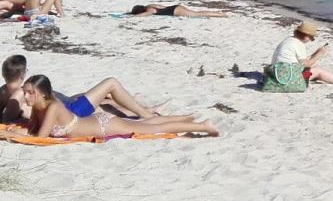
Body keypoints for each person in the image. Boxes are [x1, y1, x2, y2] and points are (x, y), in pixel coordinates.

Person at [3, 75, 218, 139]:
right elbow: (32, 129)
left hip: (104, 126)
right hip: (96, 122)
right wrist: (16, 130)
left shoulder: (52, 107)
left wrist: (11, 136)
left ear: (42, 94)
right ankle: (186, 119)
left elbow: (39, 138)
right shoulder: (40, 108)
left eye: (31, 92)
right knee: (145, 123)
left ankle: (203, 126)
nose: (27, 96)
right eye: (26, 91)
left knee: (150, 128)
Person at [0, 54, 175, 124]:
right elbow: (7, 118)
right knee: (111, 83)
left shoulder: (4, 91)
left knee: (104, 100)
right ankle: (148, 115)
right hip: (70, 111)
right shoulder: (19, 94)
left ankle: (147, 108)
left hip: (65, 103)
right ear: (23, 74)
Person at [271, 21, 333, 85]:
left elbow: (302, 61)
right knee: (319, 71)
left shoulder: (289, 40)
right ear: (306, 36)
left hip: (276, 74)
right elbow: (306, 64)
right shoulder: (298, 44)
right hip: (288, 79)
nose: (311, 40)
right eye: (311, 38)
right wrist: (320, 54)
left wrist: (316, 53)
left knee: (313, 66)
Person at [129, 3, 229, 19]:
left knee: (197, 14)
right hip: (174, 7)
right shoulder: (150, 5)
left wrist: (133, 16)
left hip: (175, 11)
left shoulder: (149, 9)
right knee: (197, 12)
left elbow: (145, 15)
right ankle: (220, 13)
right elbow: (163, 6)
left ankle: (221, 15)